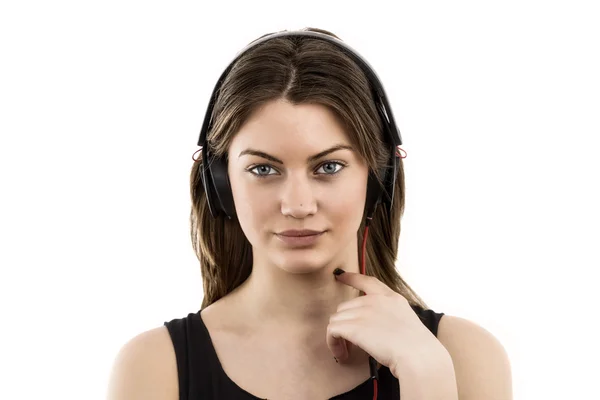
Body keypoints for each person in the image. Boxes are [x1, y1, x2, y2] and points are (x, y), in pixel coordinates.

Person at [107, 28, 512, 400]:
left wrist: (426, 376)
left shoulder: (462, 356)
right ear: (220, 183)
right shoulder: (154, 367)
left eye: (328, 167)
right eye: (263, 169)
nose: (298, 205)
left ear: (378, 177)